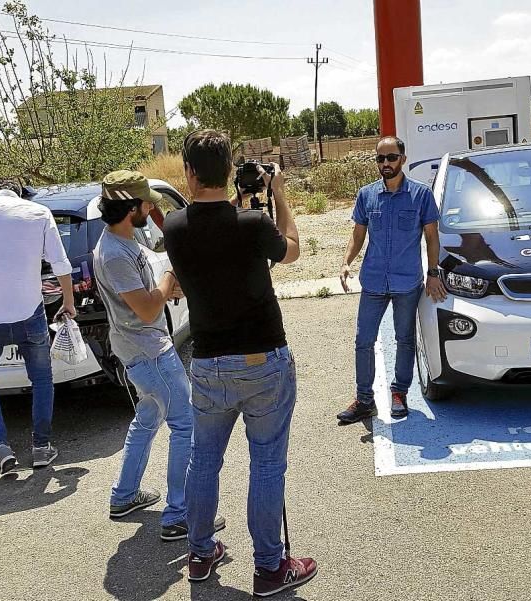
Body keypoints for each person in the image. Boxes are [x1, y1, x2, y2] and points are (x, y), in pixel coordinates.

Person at [163, 129, 317, 597]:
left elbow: (204, 253)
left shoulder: (173, 228)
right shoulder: (252, 224)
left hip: (208, 363)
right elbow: (290, 250)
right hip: (262, 357)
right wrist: (280, 196)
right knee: (266, 465)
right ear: (230, 171)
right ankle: (270, 568)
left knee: (203, 460)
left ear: (189, 173)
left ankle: (200, 551)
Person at [93, 170, 226, 541]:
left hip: (138, 348)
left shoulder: (122, 241)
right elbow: (148, 311)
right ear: (131, 207)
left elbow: (145, 297)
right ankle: (179, 515)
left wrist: (166, 289)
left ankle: (124, 495)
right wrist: (169, 279)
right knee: (186, 425)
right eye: (147, 202)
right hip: (150, 352)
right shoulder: (115, 253)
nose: (152, 206)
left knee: (147, 418)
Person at [0, 178, 76, 473]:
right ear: (21, 193)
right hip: (29, 308)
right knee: (42, 378)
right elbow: (60, 262)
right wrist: (69, 301)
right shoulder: (38, 212)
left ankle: (1, 448)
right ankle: (41, 447)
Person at [336, 136, 448, 424]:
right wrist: (346, 262)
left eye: (391, 158)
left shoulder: (421, 195)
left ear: (403, 159)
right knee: (363, 340)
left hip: (406, 281)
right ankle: (364, 400)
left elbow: (432, 236)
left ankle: (399, 393)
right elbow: (358, 233)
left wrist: (433, 273)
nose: (385, 164)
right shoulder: (366, 195)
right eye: (380, 159)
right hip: (373, 280)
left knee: (404, 339)